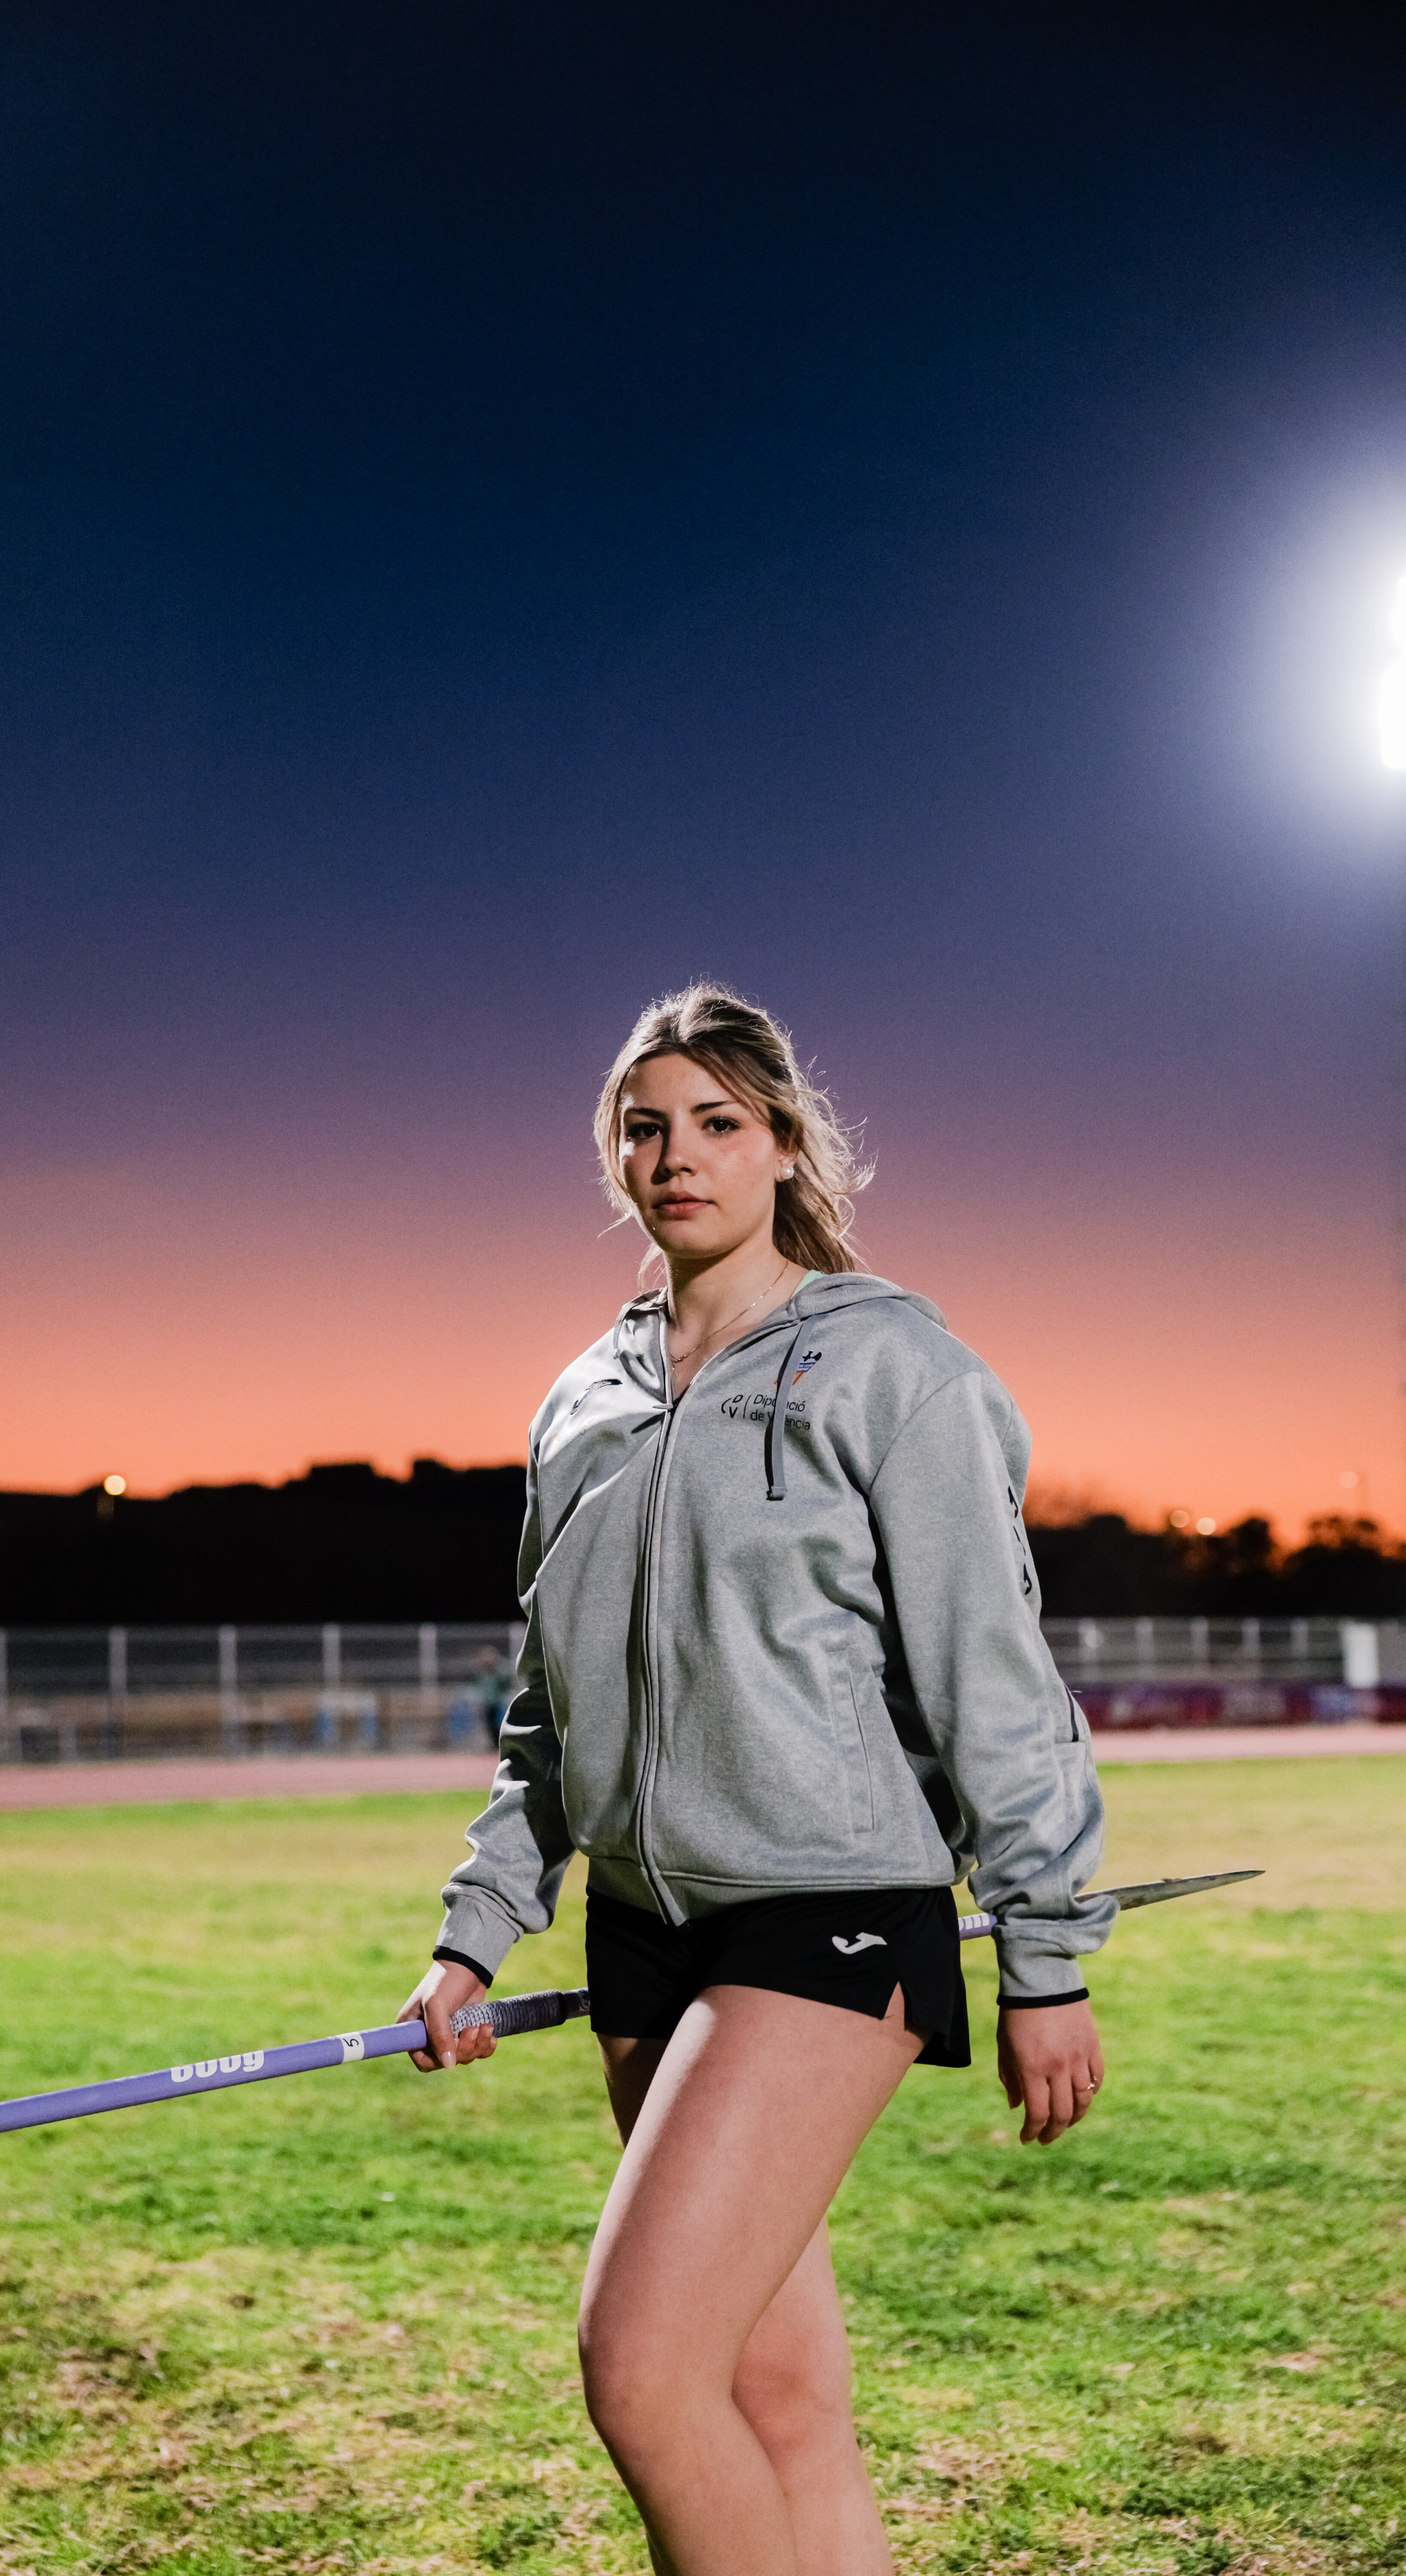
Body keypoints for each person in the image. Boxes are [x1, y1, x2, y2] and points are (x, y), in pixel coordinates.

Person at [397, 983, 1113, 2576]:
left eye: (716, 1122)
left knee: (643, 2374)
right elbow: (547, 1712)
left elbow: (996, 1681)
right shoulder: (581, 1403)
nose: (677, 1156)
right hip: (646, 1930)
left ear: (785, 1144)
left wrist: (1047, 1958)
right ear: (613, 1158)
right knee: (770, 2397)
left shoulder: (892, 1368)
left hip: (828, 1910)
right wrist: (474, 1934)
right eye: (643, 1127)